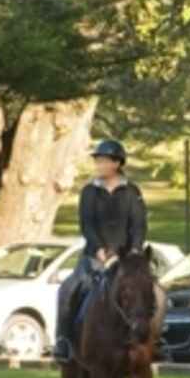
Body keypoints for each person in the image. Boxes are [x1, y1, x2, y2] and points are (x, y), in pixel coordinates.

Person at [53, 139, 148, 365]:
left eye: (104, 161)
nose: (99, 165)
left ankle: (155, 340)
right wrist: (99, 250)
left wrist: (134, 250)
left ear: (117, 163)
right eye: (98, 160)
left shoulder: (132, 192)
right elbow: (86, 225)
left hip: (126, 258)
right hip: (94, 256)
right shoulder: (89, 191)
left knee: (149, 292)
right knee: (68, 289)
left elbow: (139, 224)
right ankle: (64, 342)